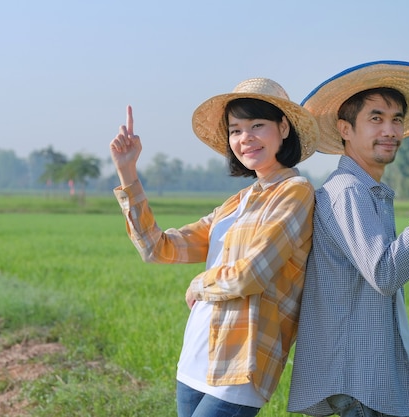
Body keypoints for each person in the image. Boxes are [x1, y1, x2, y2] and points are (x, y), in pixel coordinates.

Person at [109, 78, 320, 417]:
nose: (244, 138)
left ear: (283, 127)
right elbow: (157, 248)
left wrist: (199, 283)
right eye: (235, 130)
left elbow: (252, 274)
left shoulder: (295, 192)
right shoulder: (236, 202)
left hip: (239, 362)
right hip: (196, 356)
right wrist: (127, 171)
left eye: (257, 125)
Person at [288, 61, 409, 417]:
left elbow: (372, 301)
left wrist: (408, 371)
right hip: (360, 387)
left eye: (397, 119)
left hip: (373, 379)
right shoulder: (347, 192)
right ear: (345, 129)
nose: (390, 130)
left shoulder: (371, 193)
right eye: (376, 118)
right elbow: (385, 274)